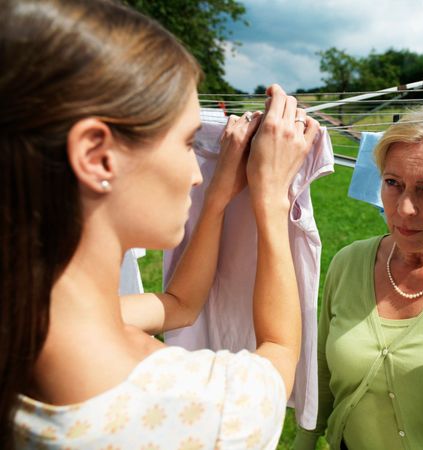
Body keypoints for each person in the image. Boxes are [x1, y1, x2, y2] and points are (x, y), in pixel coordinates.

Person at [0, 0, 319, 448]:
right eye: (188, 141)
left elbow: (179, 303)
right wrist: (270, 195)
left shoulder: (25, 320)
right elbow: (280, 356)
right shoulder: (203, 409)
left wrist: (216, 200)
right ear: (98, 156)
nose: (195, 173)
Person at [293, 104, 423, 450]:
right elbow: (323, 372)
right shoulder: (349, 262)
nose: (404, 208)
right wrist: (304, 441)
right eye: (393, 183)